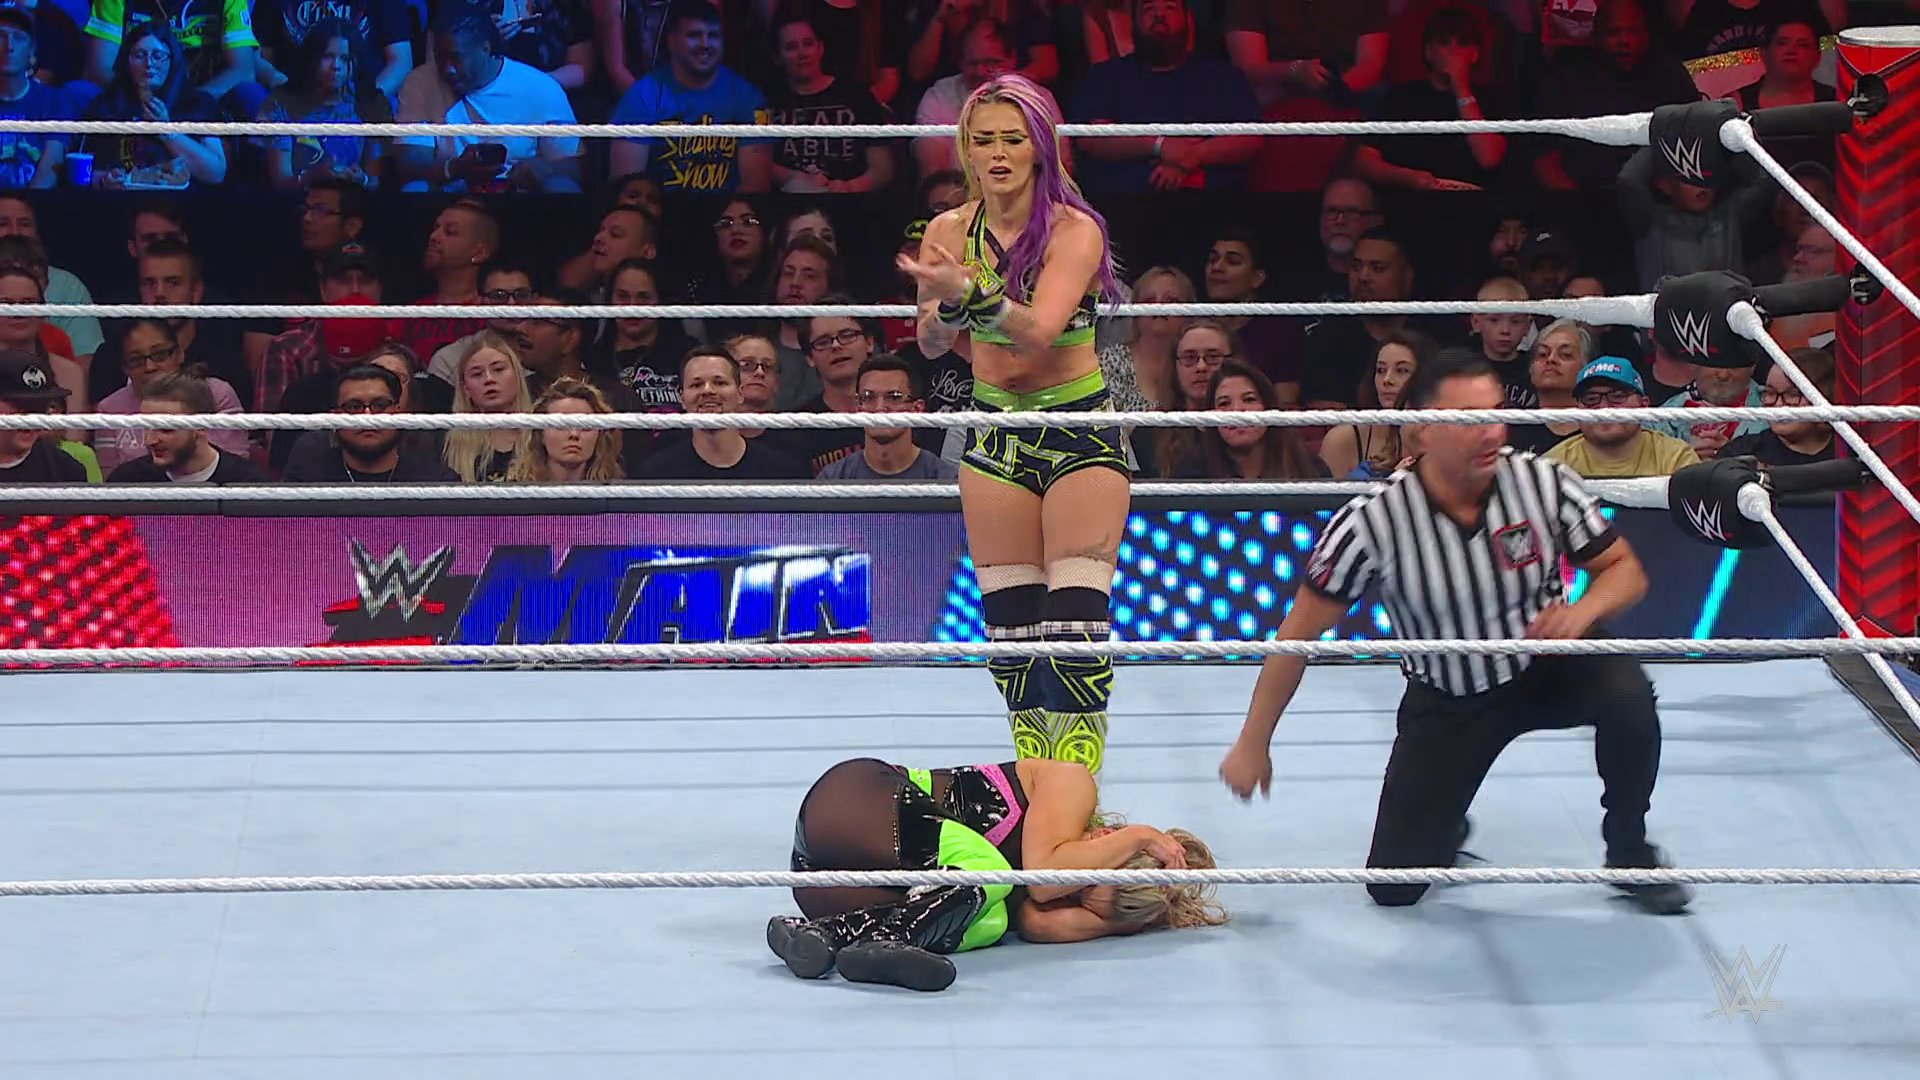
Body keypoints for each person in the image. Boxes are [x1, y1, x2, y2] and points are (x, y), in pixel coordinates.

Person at [1217, 350, 1693, 916]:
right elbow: (1297, 635)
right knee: (1393, 888)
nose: (1491, 432)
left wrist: (1581, 612)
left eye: (1496, 414)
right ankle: (1444, 823)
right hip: (1450, 695)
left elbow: (1624, 570)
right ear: (1423, 429)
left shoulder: (1542, 482)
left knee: (1629, 694)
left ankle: (1629, 849)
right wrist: (1253, 742)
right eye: (1470, 419)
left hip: (1546, 663)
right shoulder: (1373, 522)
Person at [898, 73, 1128, 777]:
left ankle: (1079, 788)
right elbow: (930, 344)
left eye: (1013, 139)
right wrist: (947, 307)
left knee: (1075, 628)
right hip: (994, 433)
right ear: (965, 149)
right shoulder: (947, 231)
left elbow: (1039, 331)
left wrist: (972, 292)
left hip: (1078, 431)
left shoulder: (1075, 229)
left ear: (1040, 146)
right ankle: (1036, 783)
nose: (998, 154)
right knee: (1013, 635)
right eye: (984, 140)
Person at [768, 756, 1226, 992]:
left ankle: (820, 938)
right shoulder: (1072, 783)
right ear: (1106, 837)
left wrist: (1121, 918)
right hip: (855, 804)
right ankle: (866, 937)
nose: (1071, 893)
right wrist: (1139, 837)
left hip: (824, 885)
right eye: (1087, 881)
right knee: (995, 874)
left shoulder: (1036, 890)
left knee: (994, 922)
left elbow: (1036, 923)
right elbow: (1044, 880)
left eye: (1082, 900)